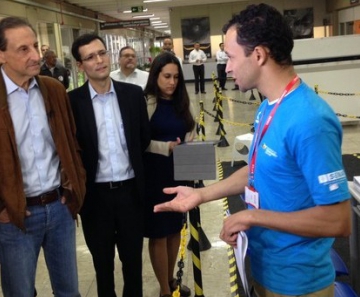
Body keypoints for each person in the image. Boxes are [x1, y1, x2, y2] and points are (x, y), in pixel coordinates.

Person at [154, 3, 351, 296]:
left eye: (231, 57)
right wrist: (201, 195)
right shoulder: (268, 107)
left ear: (258, 55)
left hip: (297, 282)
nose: (227, 66)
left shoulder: (310, 120)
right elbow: (257, 169)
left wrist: (251, 216)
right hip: (263, 268)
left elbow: (339, 220)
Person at [0, 16, 86, 297]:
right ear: (2, 55)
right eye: (23, 49)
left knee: (69, 291)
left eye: (35, 46)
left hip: (59, 208)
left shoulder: (53, 90)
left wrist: (73, 188)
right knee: (20, 292)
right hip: (14, 218)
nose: (36, 55)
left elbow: (71, 144)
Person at [68, 33, 151, 297]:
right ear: (80, 66)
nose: (99, 60)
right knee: (102, 265)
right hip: (95, 198)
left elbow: (143, 138)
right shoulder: (72, 102)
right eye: (90, 57)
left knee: (133, 263)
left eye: (102, 53)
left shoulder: (132, 94)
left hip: (130, 193)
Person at [143, 52, 195, 297]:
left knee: (175, 229)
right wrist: (166, 147)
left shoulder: (183, 102)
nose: (172, 82)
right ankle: (164, 290)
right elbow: (139, 141)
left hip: (178, 173)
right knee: (159, 233)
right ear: (156, 76)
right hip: (154, 175)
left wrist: (187, 145)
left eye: (175, 77)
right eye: (166, 76)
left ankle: (171, 278)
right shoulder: (147, 102)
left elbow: (191, 128)